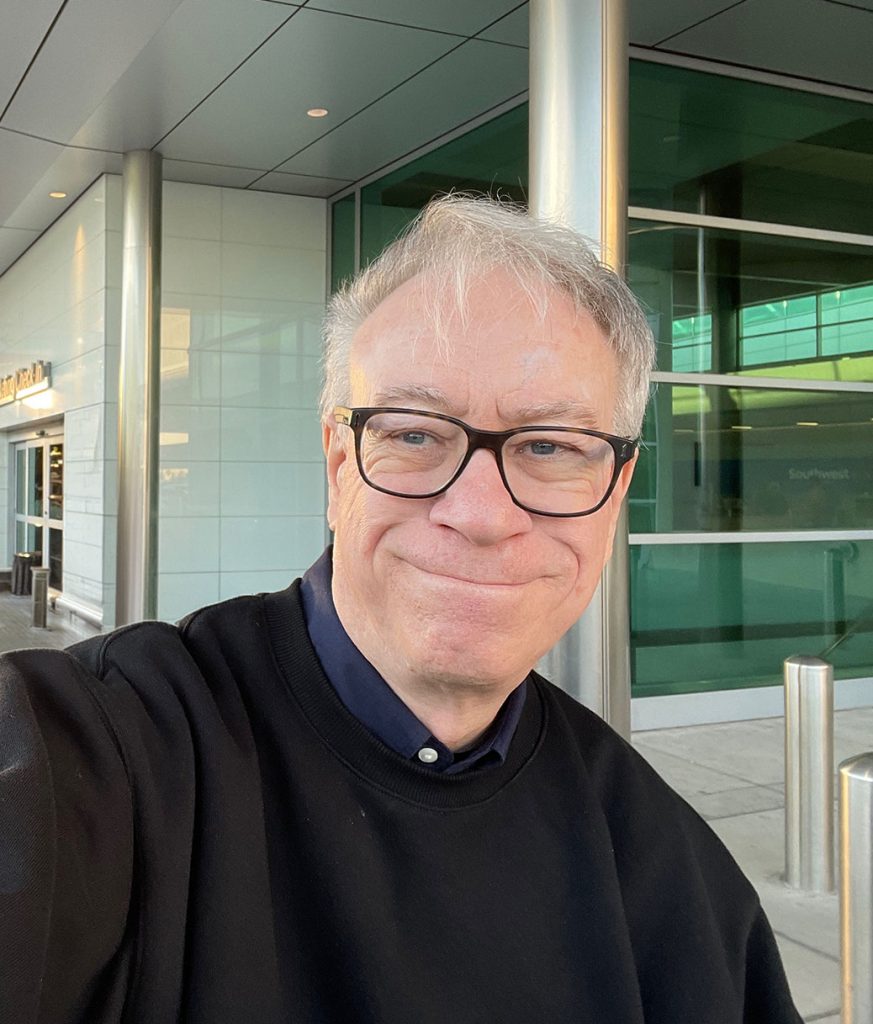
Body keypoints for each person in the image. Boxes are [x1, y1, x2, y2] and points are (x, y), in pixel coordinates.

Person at [0, 195, 800, 1023]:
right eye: (415, 434)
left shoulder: (664, 862)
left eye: (551, 446)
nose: (481, 514)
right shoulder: (88, 755)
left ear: (616, 489)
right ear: (338, 464)